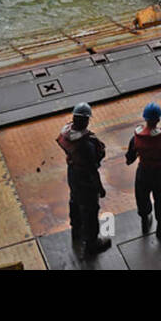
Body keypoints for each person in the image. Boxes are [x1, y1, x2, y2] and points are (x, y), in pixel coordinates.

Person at [55, 102, 110, 257]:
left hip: (72, 173)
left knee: (74, 200)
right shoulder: (86, 144)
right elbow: (92, 169)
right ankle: (92, 242)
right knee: (90, 208)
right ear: (86, 121)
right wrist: (100, 187)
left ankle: (76, 229)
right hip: (85, 178)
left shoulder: (66, 134)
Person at [124, 102, 161, 238]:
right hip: (159, 172)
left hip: (143, 172)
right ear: (158, 119)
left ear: (145, 118)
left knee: (142, 196)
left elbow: (129, 159)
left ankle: (145, 221)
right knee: (160, 198)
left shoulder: (135, 138)